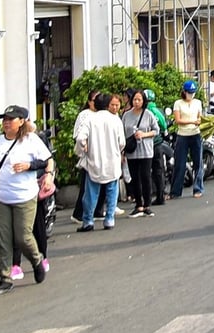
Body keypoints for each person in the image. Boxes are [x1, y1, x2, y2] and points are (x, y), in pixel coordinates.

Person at [0, 105, 51, 295]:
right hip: (0, 197)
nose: (6, 122)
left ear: (21, 122)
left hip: (24, 196)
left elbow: (46, 160)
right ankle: (5, 278)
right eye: (4, 119)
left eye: (11, 119)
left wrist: (29, 165)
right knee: (4, 240)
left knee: (23, 237)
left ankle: (36, 260)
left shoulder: (31, 140)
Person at [7, 117, 57, 282]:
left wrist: (46, 175)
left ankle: (42, 256)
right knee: (16, 230)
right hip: (13, 191)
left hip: (34, 188)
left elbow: (47, 161)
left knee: (37, 226)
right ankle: (15, 264)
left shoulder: (36, 139)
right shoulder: (5, 142)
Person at [73, 91, 125, 230]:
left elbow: (80, 138)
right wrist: (117, 151)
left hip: (94, 161)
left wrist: (82, 150)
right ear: (108, 105)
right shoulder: (115, 120)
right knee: (112, 191)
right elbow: (122, 142)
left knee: (91, 193)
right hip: (112, 161)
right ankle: (109, 219)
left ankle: (88, 221)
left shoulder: (90, 119)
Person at [121, 87, 160, 216]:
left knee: (145, 177)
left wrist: (144, 134)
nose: (137, 102)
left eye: (139, 99)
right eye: (135, 99)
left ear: (144, 101)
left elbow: (156, 130)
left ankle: (147, 204)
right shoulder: (126, 115)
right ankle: (139, 205)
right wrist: (122, 151)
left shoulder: (148, 114)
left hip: (146, 151)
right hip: (131, 151)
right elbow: (122, 133)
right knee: (135, 178)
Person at [168, 80, 205, 200]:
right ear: (184, 92)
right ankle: (175, 191)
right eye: (189, 92)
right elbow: (178, 120)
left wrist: (198, 121)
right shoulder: (178, 103)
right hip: (182, 135)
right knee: (180, 163)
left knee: (198, 163)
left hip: (195, 134)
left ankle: (198, 188)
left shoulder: (198, 103)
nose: (191, 95)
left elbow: (200, 118)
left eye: (193, 93)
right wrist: (192, 121)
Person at [142, 89, 171, 202]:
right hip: (157, 143)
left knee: (145, 171)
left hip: (145, 145)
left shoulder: (144, 111)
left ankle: (147, 197)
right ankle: (160, 195)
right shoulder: (157, 111)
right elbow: (163, 125)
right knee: (158, 170)